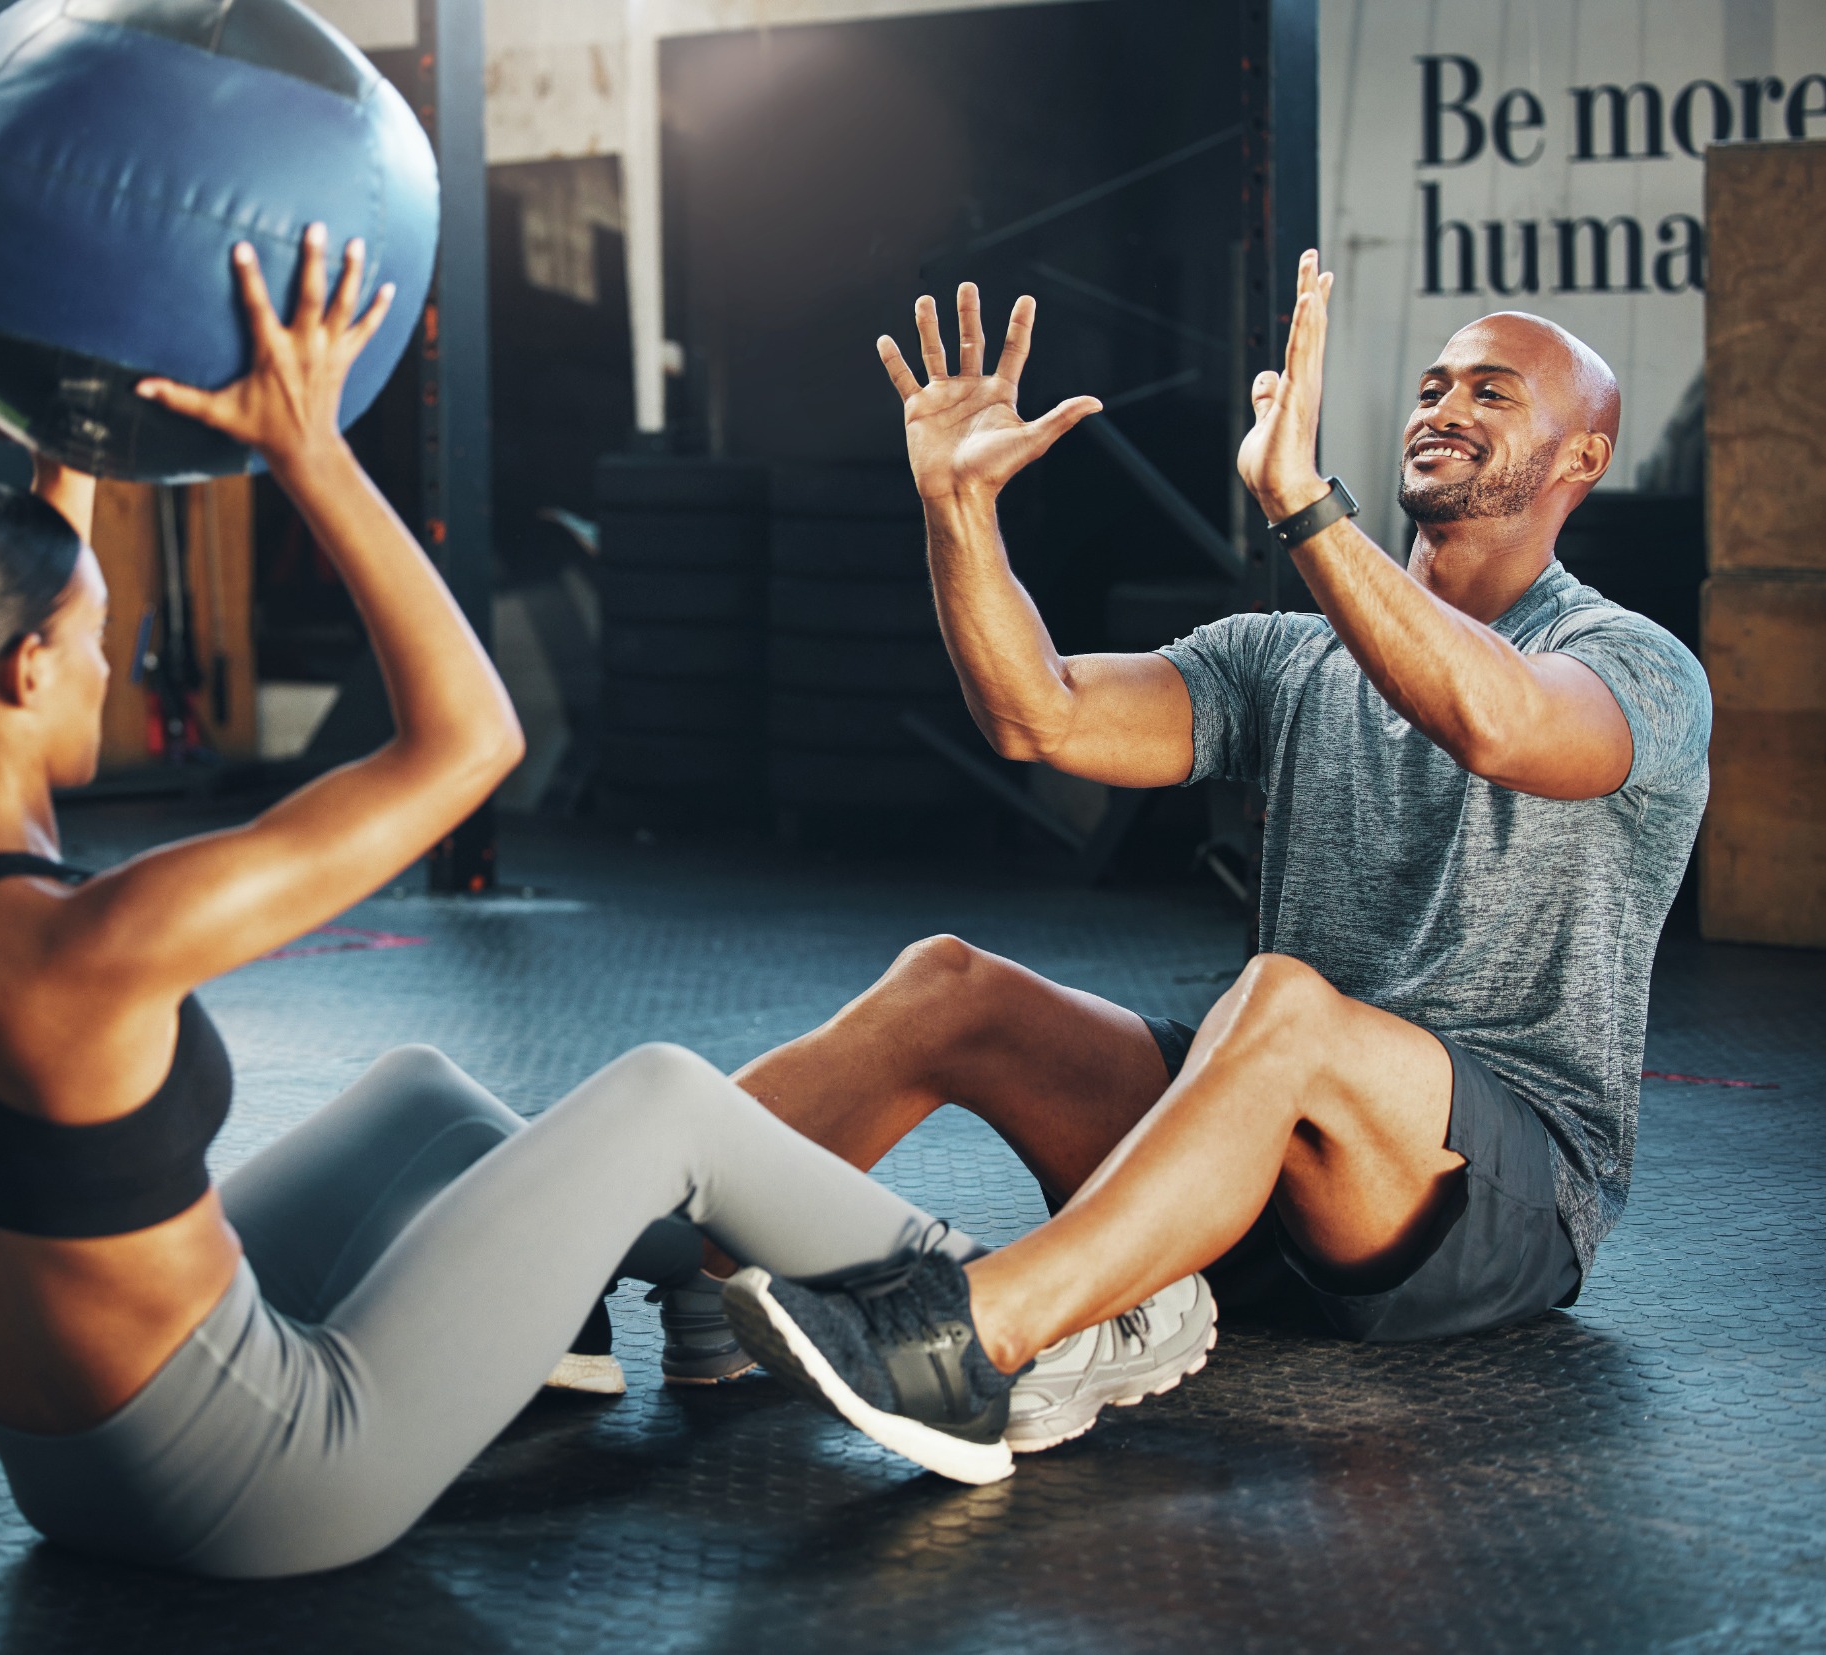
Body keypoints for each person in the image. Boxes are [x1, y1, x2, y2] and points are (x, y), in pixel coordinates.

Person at [0, 226, 1198, 1578]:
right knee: (659, 1099)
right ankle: (968, 1325)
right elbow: (467, 738)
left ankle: (672, 1299)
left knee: (420, 1099)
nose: (113, 657)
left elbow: (24, 636)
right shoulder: (85, 951)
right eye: (96, 637)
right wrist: (310, 451)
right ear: (25, 670)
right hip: (260, 1476)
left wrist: (73, 440)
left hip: (62, 1464)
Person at [704, 254, 1712, 1443]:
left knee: (1282, 1001)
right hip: (1254, 1171)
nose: (1444, 407)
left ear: (1582, 460)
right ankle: (637, 1243)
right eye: (1434, 385)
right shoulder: (1291, 659)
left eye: (1492, 393)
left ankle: (968, 1337)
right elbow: (1040, 711)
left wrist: (1305, 506)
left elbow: (1493, 722)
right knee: (950, 986)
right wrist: (957, 509)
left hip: (1481, 1206)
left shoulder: (1636, 663)